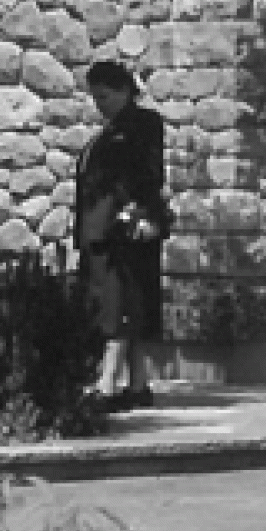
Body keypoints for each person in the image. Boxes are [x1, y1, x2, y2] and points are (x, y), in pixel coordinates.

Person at [75, 59, 172, 410]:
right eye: (95, 98)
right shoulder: (110, 131)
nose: (99, 105)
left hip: (125, 230)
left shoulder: (142, 124)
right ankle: (138, 382)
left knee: (121, 307)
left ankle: (108, 384)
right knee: (125, 304)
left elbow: (148, 173)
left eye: (105, 96)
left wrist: (139, 212)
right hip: (101, 231)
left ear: (125, 91)